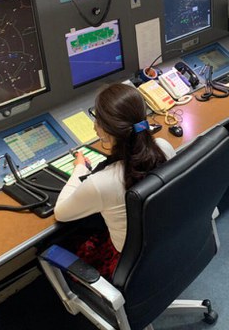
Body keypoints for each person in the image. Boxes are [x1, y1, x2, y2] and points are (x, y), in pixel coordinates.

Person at [54, 83, 175, 279]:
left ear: (106, 131)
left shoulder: (102, 182)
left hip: (130, 265)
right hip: (167, 244)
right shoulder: (163, 147)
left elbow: (61, 212)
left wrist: (79, 168)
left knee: (62, 243)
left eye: (96, 117)